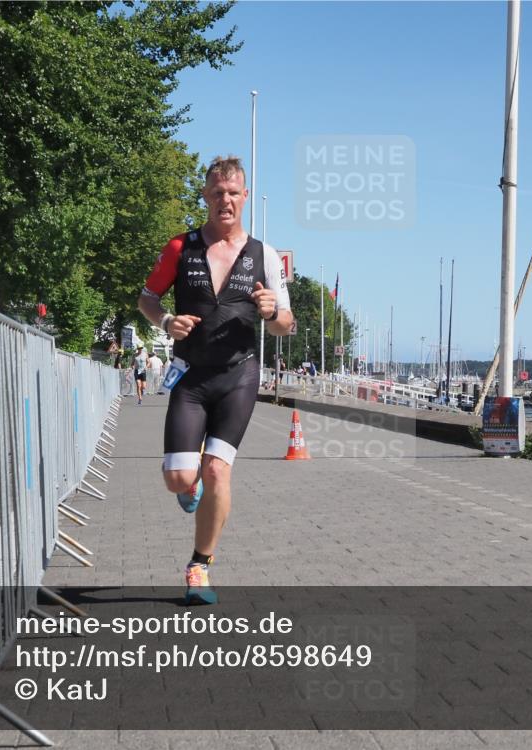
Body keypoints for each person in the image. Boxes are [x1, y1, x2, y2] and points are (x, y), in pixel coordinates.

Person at [138, 155, 295, 604]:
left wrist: (272, 313)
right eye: (217, 193)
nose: (225, 201)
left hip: (239, 376)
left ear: (245, 197)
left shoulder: (264, 255)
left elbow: (287, 324)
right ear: (206, 196)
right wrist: (166, 321)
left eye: (233, 193)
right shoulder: (180, 248)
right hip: (190, 377)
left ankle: (199, 566)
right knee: (178, 477)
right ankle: (189, 485)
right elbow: (147, 299)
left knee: (217, 469)